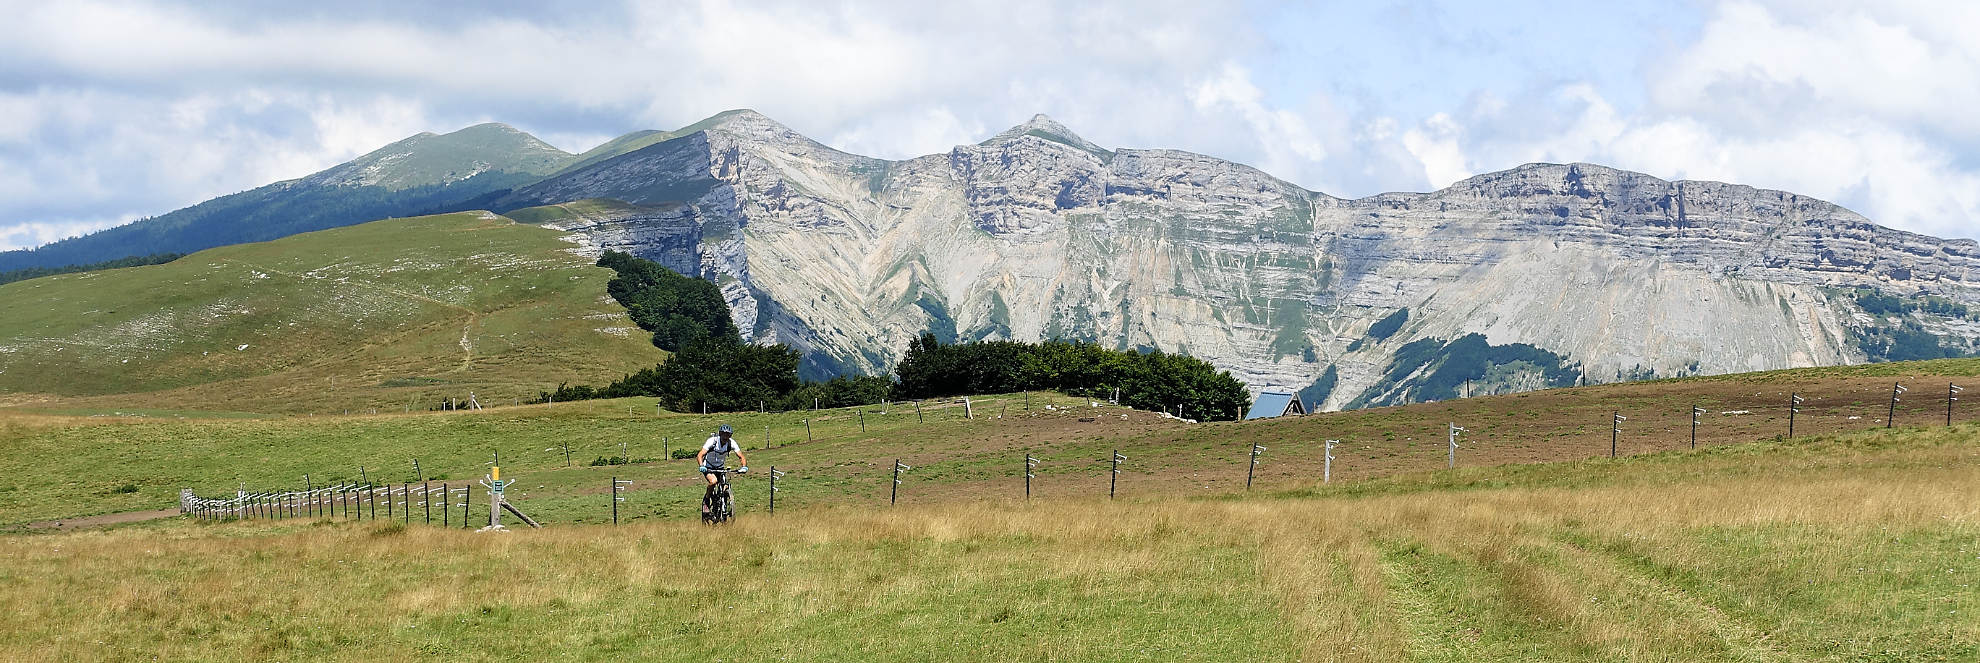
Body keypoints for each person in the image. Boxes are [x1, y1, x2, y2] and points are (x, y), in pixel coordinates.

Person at [696, 424, 748, 516]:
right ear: (720, 434)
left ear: (730, 436)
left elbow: (741, 456)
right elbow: (700, 455)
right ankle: (706, 501)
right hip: (708, 467)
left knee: (725, 486)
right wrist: (701, 466)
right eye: (723, 434)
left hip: (720, 467)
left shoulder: (731, 443)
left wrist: (744, 466)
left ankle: (723, 502)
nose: (725, 437)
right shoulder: (712, 441)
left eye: (728, 435)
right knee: (713, 481)